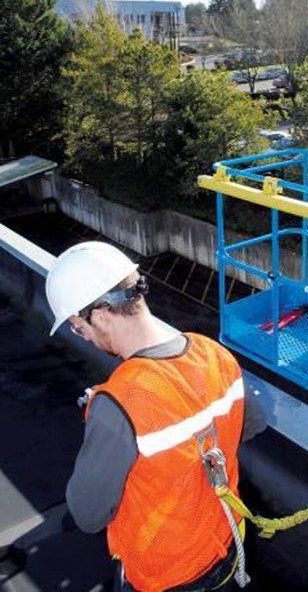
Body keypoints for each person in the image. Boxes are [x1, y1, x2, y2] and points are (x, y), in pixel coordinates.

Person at [45, 241, 261, 592]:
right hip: (225, 551)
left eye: (77, 326)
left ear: (100, 316)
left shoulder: (119, 403)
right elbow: (249, 426)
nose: (80, 335)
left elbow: (88, 514)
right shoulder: (215, 354)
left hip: (164, 576)